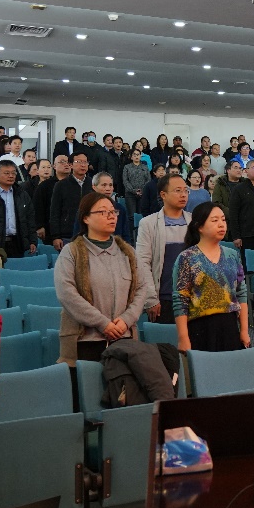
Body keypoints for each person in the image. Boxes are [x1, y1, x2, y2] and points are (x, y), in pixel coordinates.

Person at [54, 192, 150, 365]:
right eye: (103, 212)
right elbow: (66, 293)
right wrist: (103, 324)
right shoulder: (71, 252)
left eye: (113, 212)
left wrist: (126, 319)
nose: (111, 216)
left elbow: (141, 288)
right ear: (85, 218)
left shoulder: (127, 251)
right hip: (84, 341)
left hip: (124, 336)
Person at [173, 203, 249, 352]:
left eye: (223, 220)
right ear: (199, 227)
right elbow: (180, 300)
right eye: (214, 220)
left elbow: (241, 293)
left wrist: (244, 330)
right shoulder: (187, 258)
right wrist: (183, 338)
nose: (221, 224)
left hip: (229, 326)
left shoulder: (232, 255)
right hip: (200, 328)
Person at [135, 174, 191, 325]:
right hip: (164, 298)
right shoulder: (148, 224)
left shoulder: (194, 222)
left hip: (193, 299)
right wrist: (151, 299)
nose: (183, 195)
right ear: (163, 195)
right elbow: (142, 263)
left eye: (185, 190)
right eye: (178, 190)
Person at [0, 159, 37, 258]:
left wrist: (32, 241)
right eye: (6, 173)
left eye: (13, 173)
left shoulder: (22, 194)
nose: (11, 176)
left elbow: (30, 219)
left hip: (17, 243)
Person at [50, 152, 92, 249]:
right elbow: (55, 212)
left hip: (90, 233)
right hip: (68, 234)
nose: (83, 165)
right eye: (78, 162)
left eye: (85, 162)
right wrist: (56, 236)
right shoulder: (61, 185)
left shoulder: (93, 183)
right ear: (70, 165)